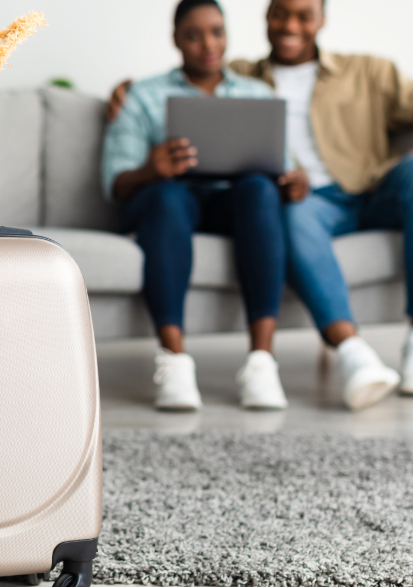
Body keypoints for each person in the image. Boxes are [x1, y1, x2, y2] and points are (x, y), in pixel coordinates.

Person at [108, 0, 413, 411]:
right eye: (280, 13)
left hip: (371, 188)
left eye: (303, 15)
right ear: (265, 18)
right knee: (275, 207)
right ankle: (352, 353)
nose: (290, 25)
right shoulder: (245, 75)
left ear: (322, 19)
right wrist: (126, 90)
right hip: (309, 203)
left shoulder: (369, 71)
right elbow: (188, 79)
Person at [103, 0, 310, 412]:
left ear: (228, 34)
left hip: (232, 203)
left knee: (259, 189)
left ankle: (262, 362)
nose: (207, 44)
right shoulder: (143, 96)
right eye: (193, 35)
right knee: (167, 194)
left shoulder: (257, 94)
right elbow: (117, 183)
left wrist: (296, 179)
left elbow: (283, 166)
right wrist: (151, 168)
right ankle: (174, 359)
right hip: (169, 200)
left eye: (216, 31)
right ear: (175, 39)